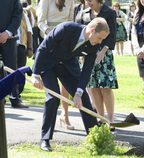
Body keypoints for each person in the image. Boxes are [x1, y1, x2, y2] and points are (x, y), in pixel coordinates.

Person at [32, 17, 109, 152]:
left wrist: (78, 93)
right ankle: (45, 139)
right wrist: (36, 74)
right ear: (91, 30)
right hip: (48, 64)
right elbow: (43, 47)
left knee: (84, 98)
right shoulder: (66, 28)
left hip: (68, 67)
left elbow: (87, 70)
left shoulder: (94, 45)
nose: (100, 42)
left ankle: (94, 137)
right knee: (53, 98)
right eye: (100, 38)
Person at [37, 0, 75, 130]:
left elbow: (71, 21)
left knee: (68, 83)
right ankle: (48, 125)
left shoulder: (70, 1)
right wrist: (51, 35)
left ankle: (65, 115)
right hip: (49, 43)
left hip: (65, 44)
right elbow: (41, 22)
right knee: (52, 93)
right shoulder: (45, 1)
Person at [80, 0, 118, 128]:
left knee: (105, 88)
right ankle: (101, 119)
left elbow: (112, 35)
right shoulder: (84, 13)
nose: (88, 2)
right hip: (88, 55)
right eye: (87, 0)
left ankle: (111, 120)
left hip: (104, 54)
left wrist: (103, 51)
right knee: (94, 87)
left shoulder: (109, 12)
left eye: (91, 0)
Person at [0, 0, 27, 108]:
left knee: (11, 68)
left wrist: (7, 33)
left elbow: (17, 16)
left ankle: (14, 98)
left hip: (9, 39)